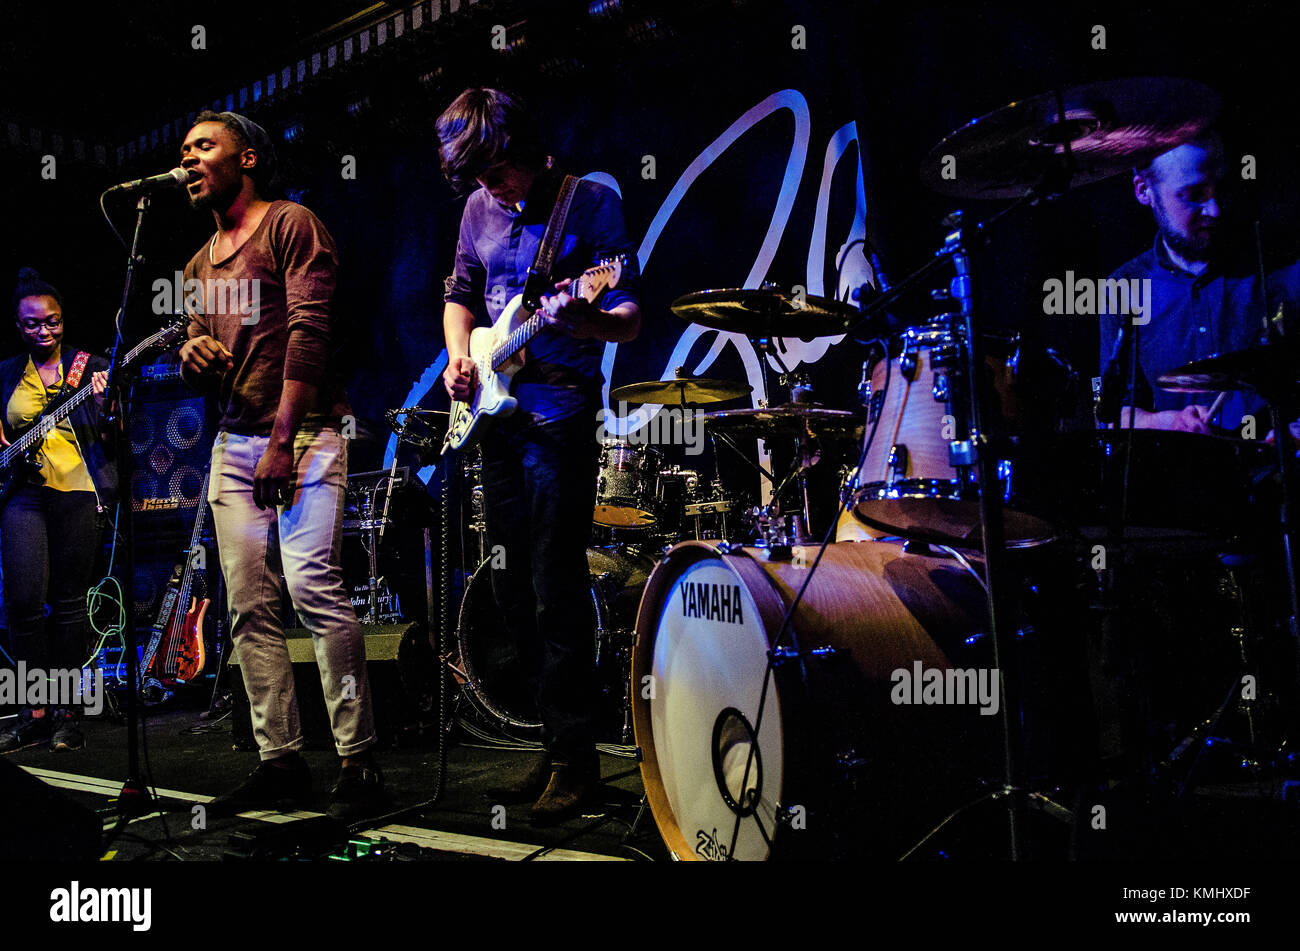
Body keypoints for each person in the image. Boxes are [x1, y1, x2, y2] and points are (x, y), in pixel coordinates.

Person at [438, 88, 641, 821]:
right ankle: (551, 747)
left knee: (557, 586)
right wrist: (462, 357)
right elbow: (460, 296)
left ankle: (580, 763)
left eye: (499, 170)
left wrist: (585, 316)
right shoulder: (476, 211)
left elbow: (628, 316)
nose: (492, 187)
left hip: (559, 415)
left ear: (529, 148)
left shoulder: (585, 202)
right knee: (511, 590)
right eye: (480, 176)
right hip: (499, 420)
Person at [176, 111, 384, 819]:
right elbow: (202, 342)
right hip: (232, 443)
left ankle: (358, 760)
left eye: (204, 146)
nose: (189, 158)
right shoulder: (198, 263)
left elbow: (309, 333)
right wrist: (190, 354)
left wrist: (283, 442)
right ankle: (280, 759)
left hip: (305, 433)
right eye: (184, 150)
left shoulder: (293, 224)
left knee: (314, 589)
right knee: (247, 609)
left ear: (249, 157)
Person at [1098, 133, 1300, 435]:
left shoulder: (1280, 267)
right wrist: (1164, 422)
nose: (1214, 210)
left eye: (1219, 190)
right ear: (1144, 191)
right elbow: (1109, 414)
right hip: (1183, 474)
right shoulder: (1123, 288)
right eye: (1193, 194)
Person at [0, 269, 113, 753]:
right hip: (22, 495)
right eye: (32, 325)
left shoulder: (90, 367)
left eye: (52, 322)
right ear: (19, 326)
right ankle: (34, 710)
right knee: (24, 603)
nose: (44, 332)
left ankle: (66, 713)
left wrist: (108, 405)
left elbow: (115, 436)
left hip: (76, 490)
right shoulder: (7, 372)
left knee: (69, 604)